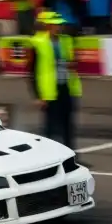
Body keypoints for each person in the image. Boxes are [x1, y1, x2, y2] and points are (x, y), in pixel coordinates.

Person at [30, 11, 81, 150]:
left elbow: (73, 61)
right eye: (54, 25)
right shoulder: (37, 42)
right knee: (51, 128)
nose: (58, 27)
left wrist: (72, 63)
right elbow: (32, 72)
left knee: (68, 126)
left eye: (59, 25)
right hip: (49, 91)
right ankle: (50, 154)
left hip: (67, 87)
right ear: (46, 25)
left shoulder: (66, 40)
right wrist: (37, 95)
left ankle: (71, 154)